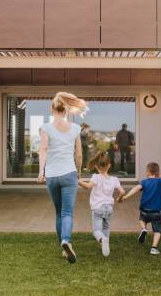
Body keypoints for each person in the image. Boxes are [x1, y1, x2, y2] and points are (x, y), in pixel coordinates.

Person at [37, 92, 88, 264]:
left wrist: (41, 172)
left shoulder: (46, 128)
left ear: (52, 109)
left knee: (58, 212)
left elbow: (43, 150)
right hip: (69, 174)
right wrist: (79, 172)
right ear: (66, 110)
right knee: (67, 213)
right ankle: (66, 240)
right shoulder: (75, 128)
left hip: (52, 175)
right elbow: (79, 155)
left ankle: (63, 246)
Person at [119, 162, 161, 255]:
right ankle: (154, 248)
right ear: (158, 173)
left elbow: (135, 189)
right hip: (156, 211)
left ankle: (143, 229)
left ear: (147, 172)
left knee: (141, 220)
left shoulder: (144, 182)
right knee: (157, 231)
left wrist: (125, 197)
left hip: (144, 210)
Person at [78, 151, 125, 257]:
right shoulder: (114, 179)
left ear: (96, 166)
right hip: (109, 208)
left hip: (98, 208)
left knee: (96, 230)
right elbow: (122, 192)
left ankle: (102, 240)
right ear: (109, 165)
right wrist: (119, 198)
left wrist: (77, 181)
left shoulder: (96, 177)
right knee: (106, 228)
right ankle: (105, 245)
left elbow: (88, 187)